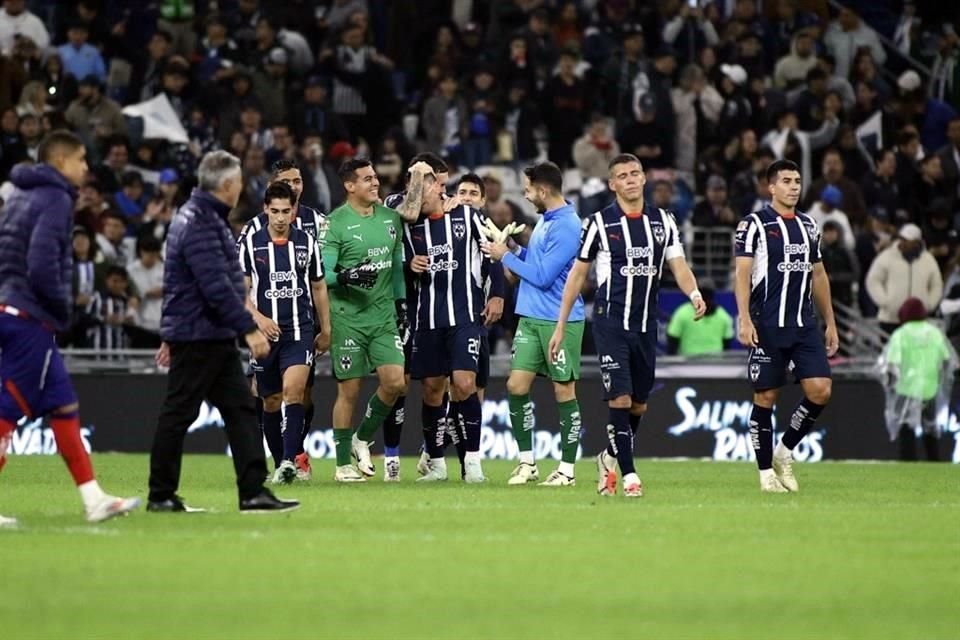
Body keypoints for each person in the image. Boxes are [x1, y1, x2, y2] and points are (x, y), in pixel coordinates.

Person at [0, 130, 138, 526]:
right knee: (9, 407)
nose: (86, 168)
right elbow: (43, 262)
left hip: (10, 307)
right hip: (30, 317)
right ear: (61, 162)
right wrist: (61, 310)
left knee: (63, 405)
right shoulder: (57, 197)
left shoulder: (19, 194)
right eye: (81, 160)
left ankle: (93, 498)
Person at [148, 150, 298, 514]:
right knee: (180, 412)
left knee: (240, 409)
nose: (241, 189)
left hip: (205, 332)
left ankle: (252, 492)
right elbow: (214, 286)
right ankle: (161, 495)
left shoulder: (202, 217)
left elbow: (184, 284)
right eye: (240, 183)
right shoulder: (200, 222)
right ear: (228, 184)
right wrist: (249, 329)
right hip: (198, 335)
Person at [549, 154, 706, 498]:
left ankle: (609, 456)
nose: (631, 179)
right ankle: (631, 475)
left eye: (636, 173)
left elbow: (678, 265)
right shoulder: (599, 223)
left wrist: (693, 292)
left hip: (646, 325)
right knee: (619, 399)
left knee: (638, 405)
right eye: (623, 175)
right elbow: (578, 274)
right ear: (613, 184)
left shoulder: (663, 221)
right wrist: (561, 324)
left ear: (644, 179)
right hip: (610, 322)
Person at [734, 159, 839, 493]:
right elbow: (742, 274)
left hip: (804, 324)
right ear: (771, 187)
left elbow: (818, 275)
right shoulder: (754, 225)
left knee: (821, 390)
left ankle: (784, 451)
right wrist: (745, 318)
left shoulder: (809, 226)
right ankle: (766, 474)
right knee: (766, 396)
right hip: (767, 324)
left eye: (797, 180)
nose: (794, 186)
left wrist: (831, 323)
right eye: (787, 181)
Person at [482, 162, 585, 487]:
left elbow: (543, 276)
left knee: (563, 390)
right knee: (515, 386)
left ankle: (567, 469)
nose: (525, 195)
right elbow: (537, 261)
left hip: (559, 321)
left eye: (527, 189)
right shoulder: (547, 221)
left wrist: (504, 257)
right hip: (530, 318)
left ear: (542, 190)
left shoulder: (568, 225)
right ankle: (528, 463)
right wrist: (513, 247)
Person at [404, 167, 504, 483]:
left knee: (464, 384)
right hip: (428, 319)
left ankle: (472, 464)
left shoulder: (466, 216)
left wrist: (497, 294)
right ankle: (435, 464)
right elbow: (400, 266)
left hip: (465, 317)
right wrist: (410, 265)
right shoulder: (408, 226)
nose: (421, 196)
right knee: (432, 390)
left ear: (438, 189)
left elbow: (492, 252)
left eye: (427, 188)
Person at [236, 159, 328, 480]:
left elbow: (318, 285)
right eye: (274, 211)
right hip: (264, 334)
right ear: (266, 209)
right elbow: (240, 290)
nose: (280, 217)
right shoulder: (250, 239)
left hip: (299, 329)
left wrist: (325, 328)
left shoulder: (308, 240)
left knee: (294, 391)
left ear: (293, 211)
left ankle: (291, 460)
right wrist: (258, 318)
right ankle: (280, 463)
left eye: (285, 211)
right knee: (270, 399)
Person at [322, 158, 406, 483]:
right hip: (348, 319)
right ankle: (343, 464)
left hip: (383, 317)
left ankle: (362, 438)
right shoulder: (335, 223)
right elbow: (322, 274)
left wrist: (402, 304)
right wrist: (347, 276)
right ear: (349, 185)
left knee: (396, 382)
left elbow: (396, 266)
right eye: (367, 179)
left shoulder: (390, 219)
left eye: (375, 177)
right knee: (350, 392)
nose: (375, 183)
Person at [878, 298, 957, 462]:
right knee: (931, 430)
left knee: (907, 429)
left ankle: (908, 463)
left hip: (906, 389)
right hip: (930, 388)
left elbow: (892, 363)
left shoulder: (901, 334)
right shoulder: (934, 332)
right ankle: (934, 462)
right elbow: (948, 359)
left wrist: (890, 383)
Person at [865, 223, 943, 335]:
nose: (903, 242)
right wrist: (885, 301)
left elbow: (936, 284)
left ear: (917, 242)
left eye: (907, 240)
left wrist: (929, 304)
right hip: (890, 319)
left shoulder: (928, 260)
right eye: (901, 238)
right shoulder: (887, 256)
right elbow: (873, 280)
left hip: (918, 320)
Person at [666, 279, 732, 356]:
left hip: (691, 364)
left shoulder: (682, 313)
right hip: (694, 364)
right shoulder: (724, 315)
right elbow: (727, 344)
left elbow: (672, 341)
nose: (705, 296)